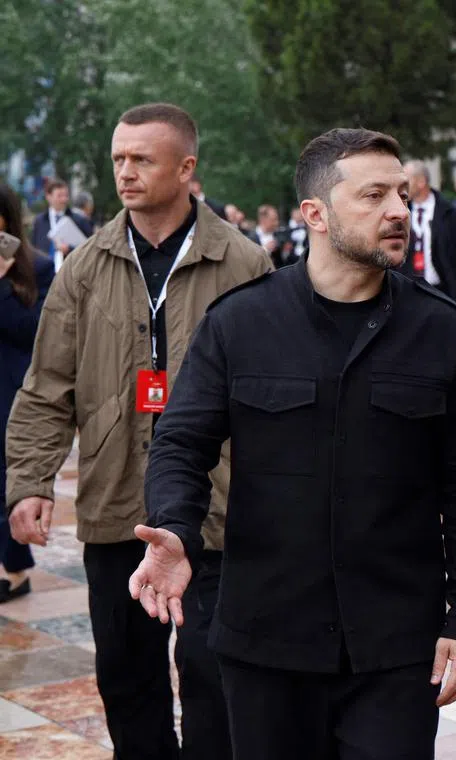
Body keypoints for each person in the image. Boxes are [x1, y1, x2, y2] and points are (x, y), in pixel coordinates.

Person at [129, 127, 456, 760]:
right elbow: (181, 444)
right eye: (375, 195)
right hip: (266, 641)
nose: (398, 212)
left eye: (404, 196)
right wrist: (173, 527)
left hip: (396, 649)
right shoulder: (240, 324)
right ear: (315, 215)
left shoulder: (441, 332)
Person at [5, 103, 272, 760]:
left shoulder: (244, 264)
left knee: (215, 676)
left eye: (141, 159)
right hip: (115, 504)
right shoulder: (86, 267)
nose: (125, 172)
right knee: (126, 677)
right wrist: (29, 482)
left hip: (218, 511)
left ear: (186, 168)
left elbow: (276, 397)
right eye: (119, 158)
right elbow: (47, 387)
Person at [0, 184, 53, 604]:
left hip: (11, 388)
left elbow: (34, 332)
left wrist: (1, 282)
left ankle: (16, 569)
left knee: (7, 481)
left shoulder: (37, 267)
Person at [398, 161, 456, 312]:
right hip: (408, 293)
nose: (403, 186)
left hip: (444, 293)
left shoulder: (450, 213)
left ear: (421, 182)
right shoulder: (400, 212)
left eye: (407, 181)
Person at [31, 178, 94, 270]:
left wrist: (70, 249)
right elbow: (34, 248)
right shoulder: (39, 221)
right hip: (46, 273)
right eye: (59, 196)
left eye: (66, 195)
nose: (64, 199)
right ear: (48, 196)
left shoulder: (79, 220)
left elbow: (91, 248)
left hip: (71, 271)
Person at [247, 204, 297, 269]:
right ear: (263, 220)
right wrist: (265, 249)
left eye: (277, 219)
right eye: (273, 220)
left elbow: (289, 261)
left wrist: (286, 251)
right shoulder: (250, 238)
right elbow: (250, 261)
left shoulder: (281, 234)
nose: (277, 223)